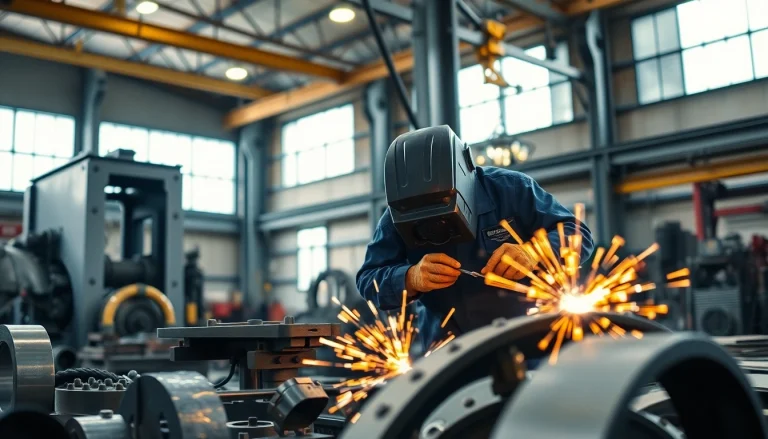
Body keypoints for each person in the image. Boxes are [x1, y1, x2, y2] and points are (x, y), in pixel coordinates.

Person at [356, 125, 594, 351]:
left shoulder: (511, 189)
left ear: (464, 175)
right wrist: (410, 278)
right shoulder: (398, 213)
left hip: (526, 340)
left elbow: (579, 235)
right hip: (447, 352)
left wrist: (534, 252)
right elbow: (368, 279)